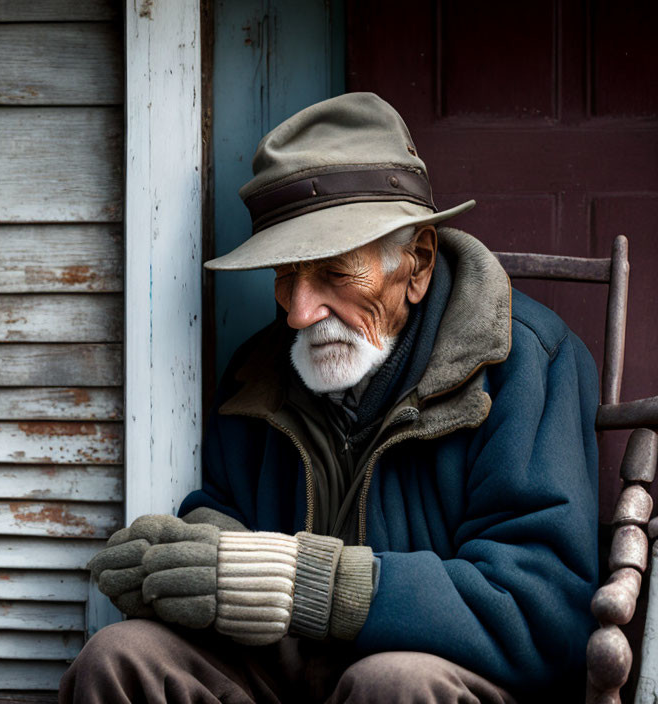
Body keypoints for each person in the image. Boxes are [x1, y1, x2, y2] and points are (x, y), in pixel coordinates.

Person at [59, 93, 599, 703]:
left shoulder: (526, 362)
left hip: (447, 674)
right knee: (120, 658)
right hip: (283, 669)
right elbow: (225, 503)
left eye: (334, 273)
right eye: (286, 273)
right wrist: (204, 555)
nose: (298, 312)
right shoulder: (262, 368)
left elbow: (543, 611)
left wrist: (318, 585)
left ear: (416, 264)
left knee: (390, 684)